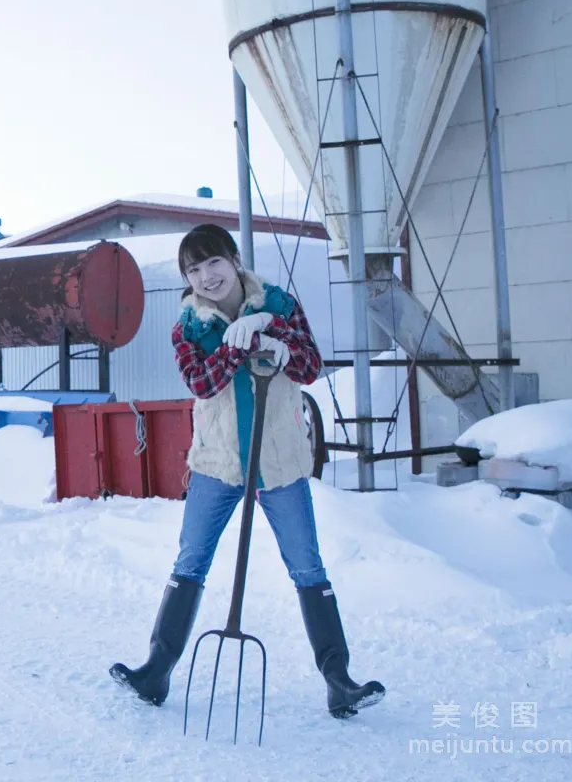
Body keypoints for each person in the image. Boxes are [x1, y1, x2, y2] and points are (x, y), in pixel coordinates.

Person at [108, 223, 384, 719]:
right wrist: (234, 346)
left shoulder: (280, 306)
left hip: (278, 460)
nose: (206, 276)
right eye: (194, 270)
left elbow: (310, 367)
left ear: (235, 260)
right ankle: (156, 670)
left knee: (307, 565)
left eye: (213, 262)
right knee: (190, 561)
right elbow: (200, 381)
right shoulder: (188, 327)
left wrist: (275, 342)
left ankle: (338, 679)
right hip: (217, 462)